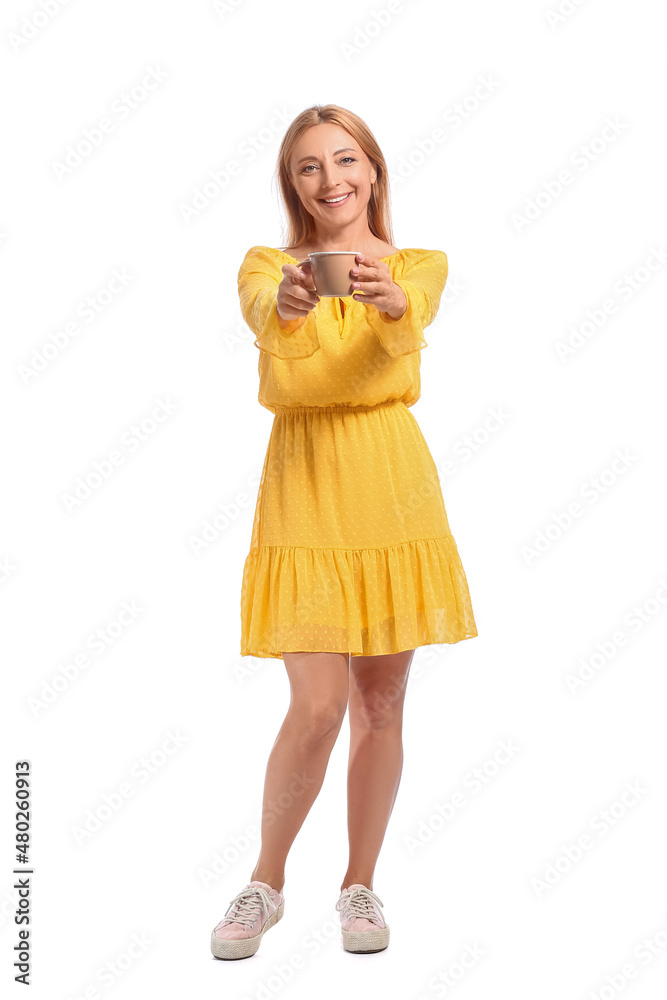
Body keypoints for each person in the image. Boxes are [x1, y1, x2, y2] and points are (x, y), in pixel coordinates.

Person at [211, 104, 478, 961]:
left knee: (379, 702)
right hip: (304, 489)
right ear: (291, 184)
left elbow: (414, 309)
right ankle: (265, 881)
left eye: (346, 160)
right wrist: (288, 303)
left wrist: (392, 298)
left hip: (392, 490)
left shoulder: (420, 264)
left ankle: (359, 883)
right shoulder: (266, 266)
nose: (332, 181)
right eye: (309, 168)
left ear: (374, 168)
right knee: (318, 704)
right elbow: (261, 309)